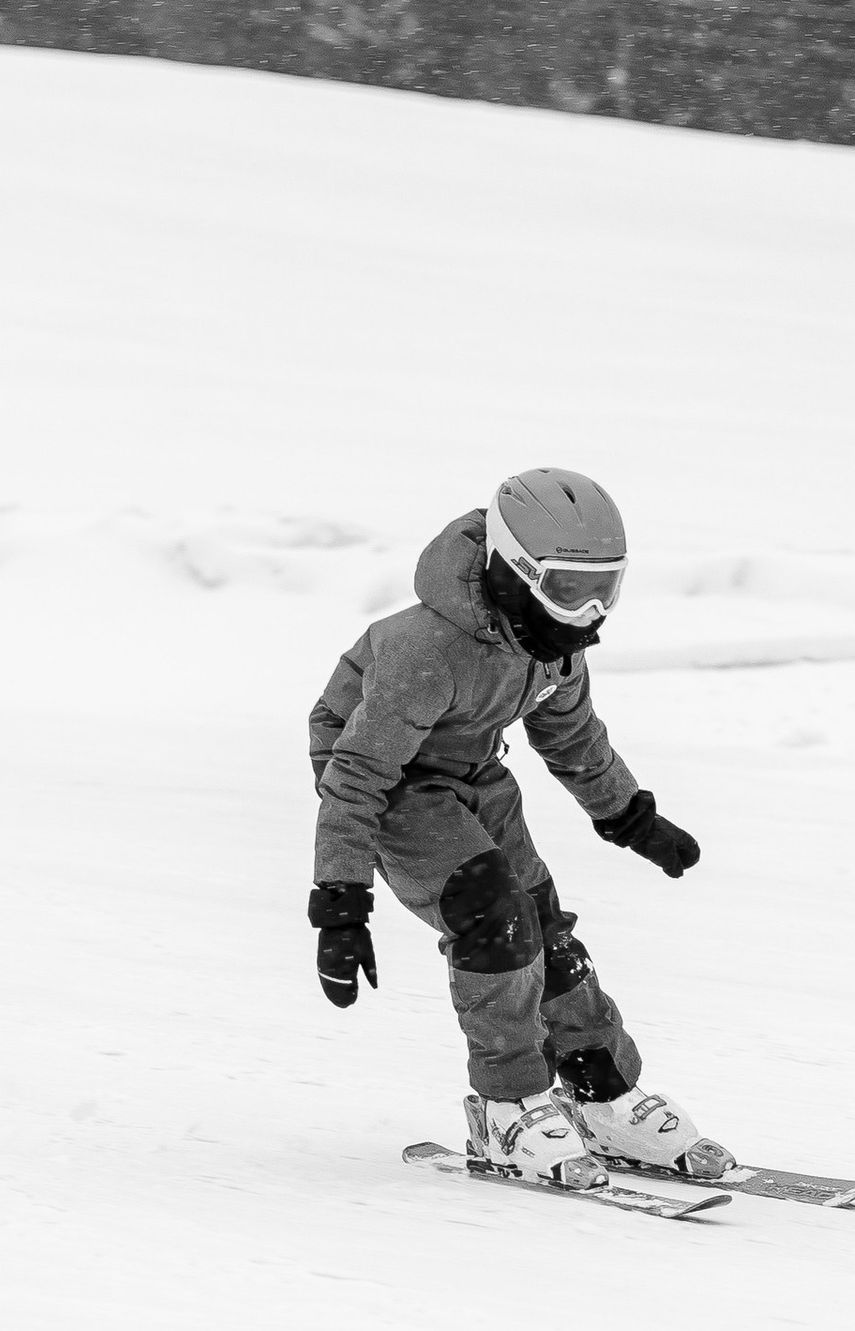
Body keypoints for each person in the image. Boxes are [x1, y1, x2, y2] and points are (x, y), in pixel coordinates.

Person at [305, 467, 727, 1186]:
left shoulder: (550, 640)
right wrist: (340, 902)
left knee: (542, 921)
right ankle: (508, 1109)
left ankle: (601, 1092)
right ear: (515, 571)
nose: (589, 608)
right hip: (393, 781)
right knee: (492, 915)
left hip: (472, 767)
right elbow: (357, 778)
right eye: (568, 587)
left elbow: (573, 736)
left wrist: (630, 815)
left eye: (607, 587)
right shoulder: (427, 649)